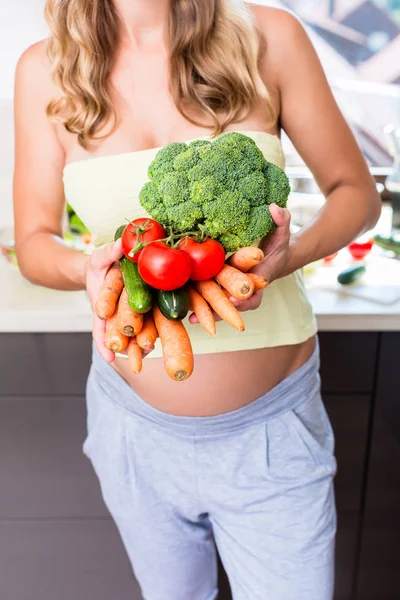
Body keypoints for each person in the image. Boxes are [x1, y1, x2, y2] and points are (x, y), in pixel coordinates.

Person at [13, 1, 381, 599]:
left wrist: (292, 255)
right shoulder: (47, 69)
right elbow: (33, 240)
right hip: (132, 429)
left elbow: (355, 192)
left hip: (272, 433)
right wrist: (87, 269)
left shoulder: (269, 36)